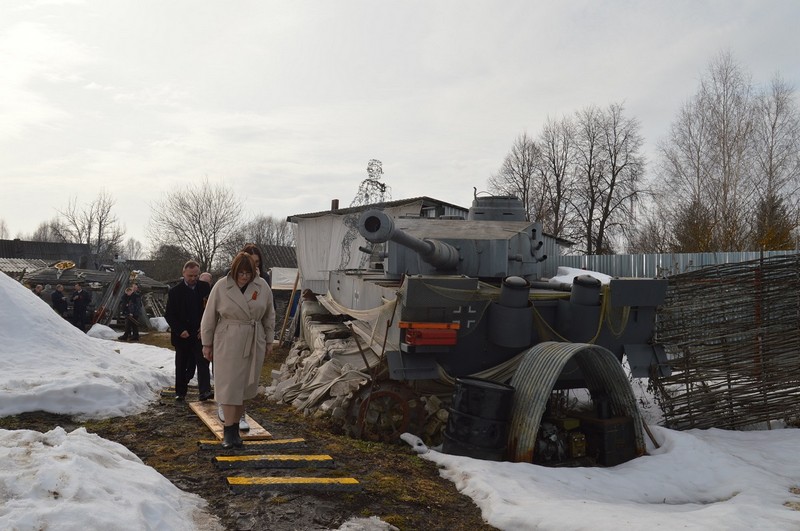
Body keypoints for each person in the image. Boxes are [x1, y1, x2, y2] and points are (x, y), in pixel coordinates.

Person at [201, 252, 275, 449]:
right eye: (241, 273)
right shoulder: (221, 286)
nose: (244, 277)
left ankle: (235, 429)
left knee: (244, 387)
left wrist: (269, 340)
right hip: (228, 339)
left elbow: (269, 315)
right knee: (229, 386)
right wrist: (207, 344)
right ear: (234, 271)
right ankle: (229, 431)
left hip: (253, 338)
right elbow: (209, 316)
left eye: (248, 273)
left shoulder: (262, 287)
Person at [165, 261, 213, 402]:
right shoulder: (175, 292)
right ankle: (180, 392)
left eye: (195, 275)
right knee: (182, 364)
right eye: (190, 276)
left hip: (200, 332)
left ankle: (204, 391)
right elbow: (169, 315)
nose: (193, 278)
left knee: (203, 362)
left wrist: (205, 327)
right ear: (183, 273)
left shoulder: (204, 288)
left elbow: (210, 310)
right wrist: (180, 330)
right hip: (182, 335)